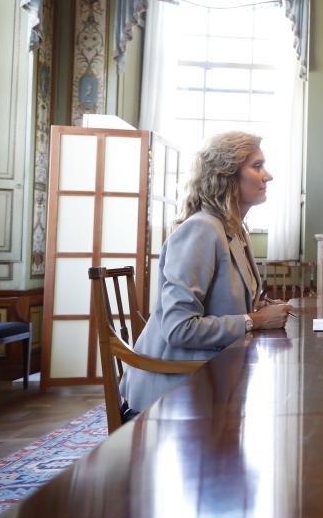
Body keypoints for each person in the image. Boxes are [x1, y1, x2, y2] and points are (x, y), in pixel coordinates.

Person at [121, 132, 293, 412]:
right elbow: (179, 329)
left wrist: (260, 307)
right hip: (176, 389)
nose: (268, 175)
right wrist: (255, 319)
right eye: (257, 166)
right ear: (227, 176)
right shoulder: (202, 229)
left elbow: (221, 302)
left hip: (213, 377)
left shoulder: (235, 230)